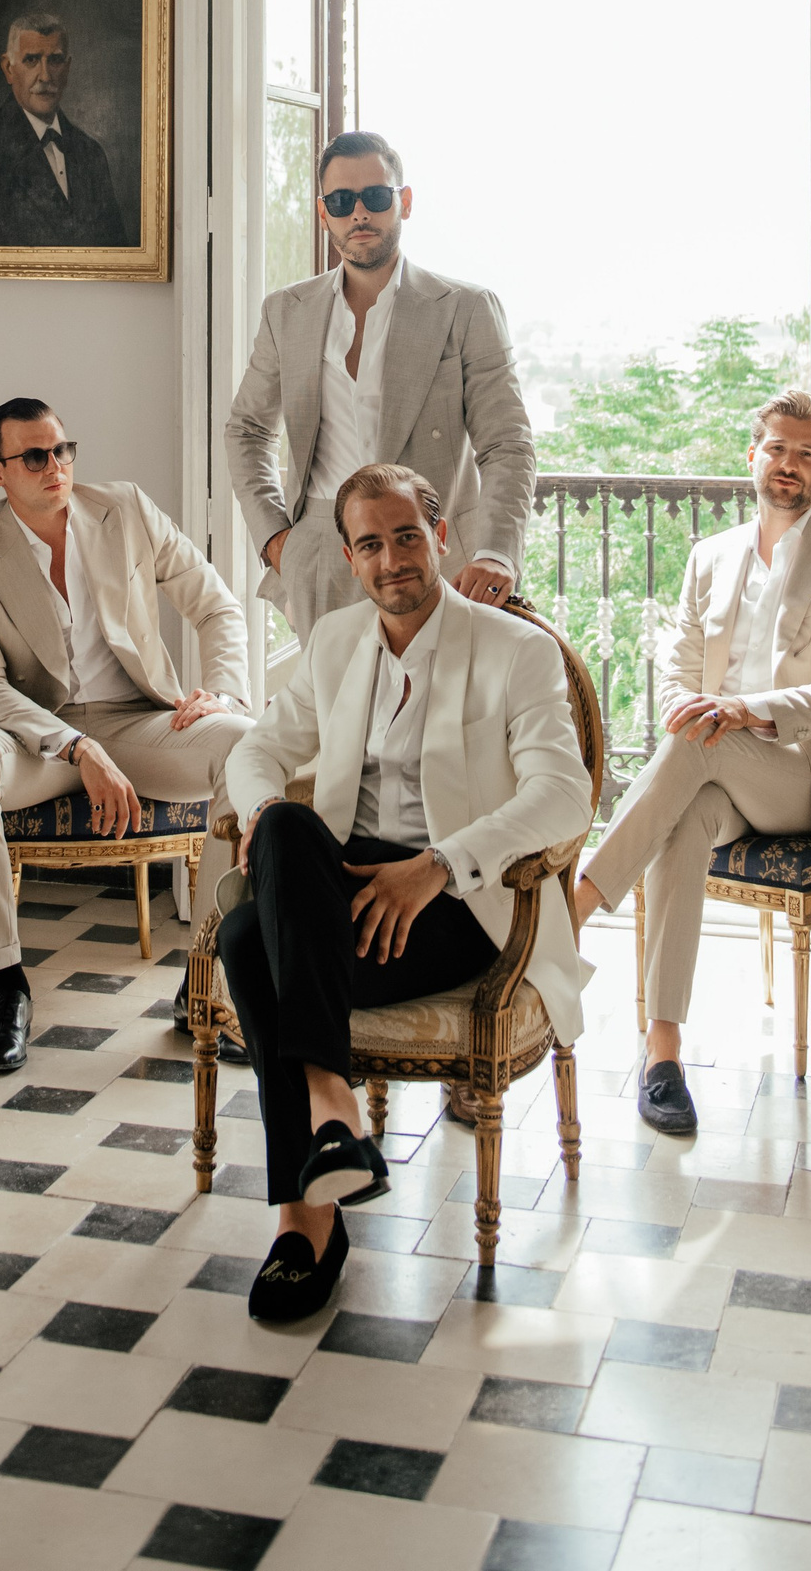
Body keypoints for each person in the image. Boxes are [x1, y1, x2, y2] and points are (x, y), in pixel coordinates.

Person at [217, 460, 592, 1322]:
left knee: (244, 942)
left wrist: (436, 865)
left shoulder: (517, 649)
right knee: (281, 825)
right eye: (371, 544)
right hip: (347, 882)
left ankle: (305, 1218)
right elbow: (257, 749)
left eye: (407, 536)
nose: (393, 560)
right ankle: (333, 1113)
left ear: (441, 537)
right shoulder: (336, 639)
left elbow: (565, 794)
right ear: (351, 558)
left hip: (458, 901)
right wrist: (262, 807)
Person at [571, 387, 811, 1134]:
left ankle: (572, 911)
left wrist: (745, 711)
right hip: (721, 770)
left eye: (807, 454)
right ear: (752, 455)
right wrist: (687, 707)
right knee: (684, 815)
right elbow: (677, 668)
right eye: (777, 448)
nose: (789, 464)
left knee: (700, 741)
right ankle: (663, 1057)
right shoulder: (711, 555)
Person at [0, 398, 253, 1074]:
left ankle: (206, 979)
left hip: (136, 721)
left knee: (245, 745)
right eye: (34, 456)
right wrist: (77, 748)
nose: (56, 466)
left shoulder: (126, 509)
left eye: (62, 450)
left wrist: (220, 693)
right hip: (37, 740)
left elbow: (216, 604)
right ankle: (6, 988)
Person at [224, 129, 536, 639]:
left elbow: (506, 443)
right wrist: (276, 539)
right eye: (341, 201)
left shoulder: (465, 309)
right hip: (322, 559)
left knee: (440, 692)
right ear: (323, 213)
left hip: (436, 556)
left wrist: (497, 552)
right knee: (335, 693)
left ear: (404, 202)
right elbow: (247, 431)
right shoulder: (286, 311)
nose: (359, 214)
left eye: (375, 196)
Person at [0, 9, 127, 248]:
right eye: (31, 60)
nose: (45, 76)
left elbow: (115, 252)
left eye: (55, 60)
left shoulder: (91, 154)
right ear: (8, 68)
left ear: (67, 69)